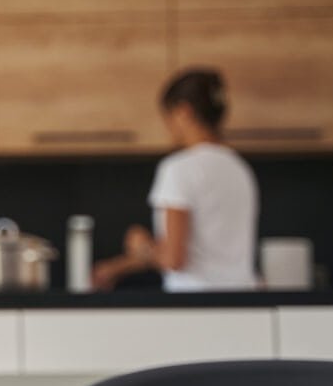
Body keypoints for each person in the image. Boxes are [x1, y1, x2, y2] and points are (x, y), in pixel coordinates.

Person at [92, 68, 259, 292]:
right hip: (245, 302)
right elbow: (204, 253)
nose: (168, 127)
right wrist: (117, 267)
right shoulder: (239, 169)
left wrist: (143, 247)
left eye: (167, 117)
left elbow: (174, 259)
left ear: (183, 112)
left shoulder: (179, 169)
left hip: (195, 304)